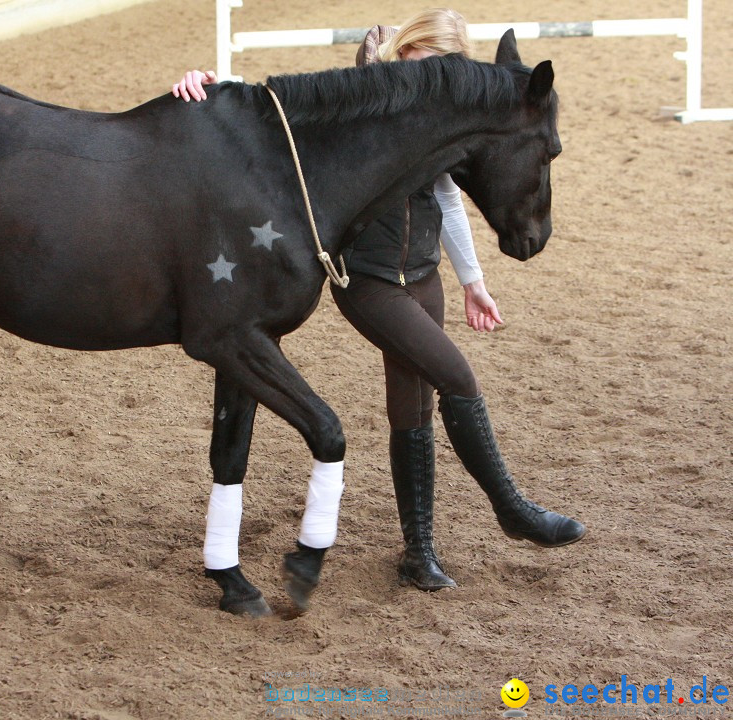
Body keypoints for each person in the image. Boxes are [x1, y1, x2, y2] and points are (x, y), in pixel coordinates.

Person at [172, 8, 585, 591]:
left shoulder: (439, 120)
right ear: (408, 49)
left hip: (423, 274)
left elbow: (447, 201)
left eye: (444, 71)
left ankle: (420, 554)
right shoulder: (375, 97)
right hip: (370, 280)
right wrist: (219, 85)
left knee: (411, 412)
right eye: (426, 65)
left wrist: (471, 280)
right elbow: (298, 113)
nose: (433, 82)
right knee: (457, 377)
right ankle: (514, 509)